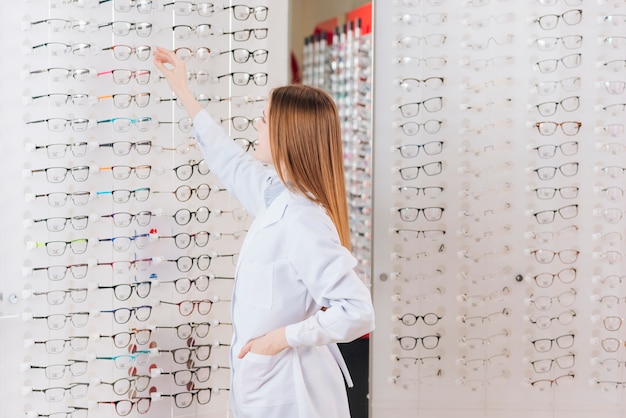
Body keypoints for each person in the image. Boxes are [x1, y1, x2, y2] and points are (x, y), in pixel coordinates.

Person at [153, 46, 375, 418]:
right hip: (263, 386)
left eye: (264, 119)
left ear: (287, 134)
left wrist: (280, 340)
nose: (256, 126)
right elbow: (231, 162)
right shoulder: (276, 197)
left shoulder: (303, 219)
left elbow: (357, 312)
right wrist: (184, 92)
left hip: (292, 391)